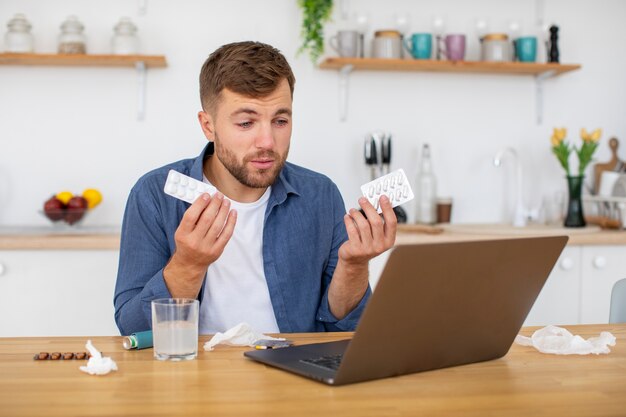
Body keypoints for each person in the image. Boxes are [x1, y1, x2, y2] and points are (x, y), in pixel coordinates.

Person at [114, 41, 397, 336]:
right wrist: (188, 264)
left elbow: (342, 327)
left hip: (294, 374)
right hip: (193, 374)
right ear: (208, 125)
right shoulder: (154, 195)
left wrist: (354, 265)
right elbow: (133, 330)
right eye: (247, 123)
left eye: (280, 120)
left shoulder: (320, 195)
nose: (267, 142)